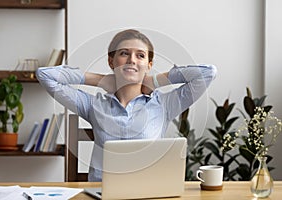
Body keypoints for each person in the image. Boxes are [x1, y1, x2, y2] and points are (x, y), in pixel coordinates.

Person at [36, 29, 217, 181]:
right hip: (101, 193)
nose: (132, 60)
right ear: (111, 61)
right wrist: (100, 80)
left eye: (140, 56)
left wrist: (154, 80)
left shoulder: (164, 104)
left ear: (148, 64)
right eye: (124, 53)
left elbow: (207, 73)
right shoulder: (93, 105)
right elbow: (45, 76)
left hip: (147, 192)